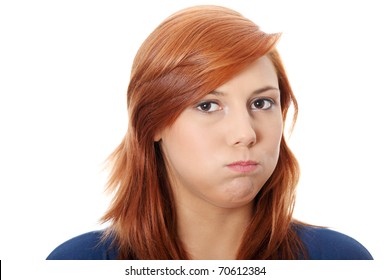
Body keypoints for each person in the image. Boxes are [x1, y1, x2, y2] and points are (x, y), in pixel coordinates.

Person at [47, 5, 373, 260]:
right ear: (154, 122)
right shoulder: (76, 264)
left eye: (261, 102)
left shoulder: (341, 261)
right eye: (207, 106)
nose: (245, 134)